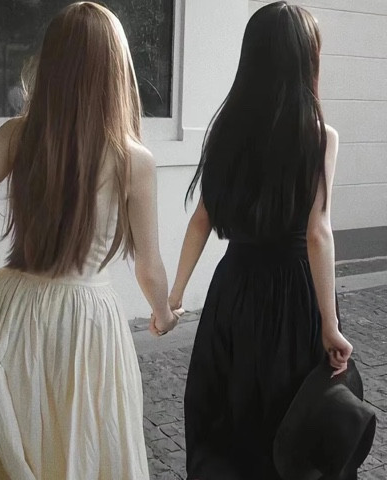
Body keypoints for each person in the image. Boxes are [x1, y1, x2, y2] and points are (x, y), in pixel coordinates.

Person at [0, 3, 177, 479]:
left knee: (23, 450)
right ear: (116, 70)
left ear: (52, 62)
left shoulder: (17, 135)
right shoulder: (133, 159)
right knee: (84, 446)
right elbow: (149, 266)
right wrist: (163, 314)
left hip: (9, 312)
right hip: (85, 325)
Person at [168, 2, 354, 479]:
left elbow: (202, 218)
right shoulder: (319, 136)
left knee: (229, 414)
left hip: (235, 289)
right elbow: (317, 233)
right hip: (295, 294)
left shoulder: (226, 131)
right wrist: (330, 325)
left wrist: (176, 294)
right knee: (292, 420)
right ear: (306, 60)